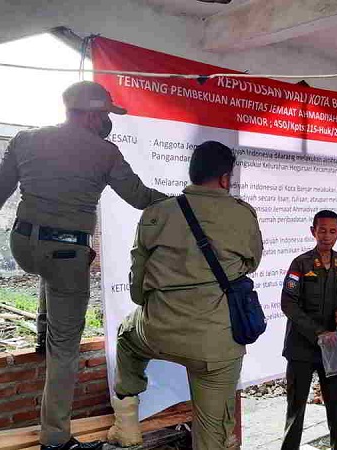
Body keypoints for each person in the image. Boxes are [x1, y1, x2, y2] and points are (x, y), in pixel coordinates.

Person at [0, 81, 166, 450]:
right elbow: (139, 197)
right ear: (90, 114)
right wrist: (183, 203)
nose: (107, 120)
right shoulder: (105, 152)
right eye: (104, 113)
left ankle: (43, 332)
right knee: (66, 349)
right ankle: (55, 440)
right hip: (66, 251)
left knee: (51, 274)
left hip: (23, 244)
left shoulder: (26, 139)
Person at [108, 141, 263, 449]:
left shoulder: (158, 212)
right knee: (212, 427)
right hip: (215, 345)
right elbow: (252, 263)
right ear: (224, 178)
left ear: (192, 173)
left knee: (126, 335)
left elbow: (138, 283)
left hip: (157, 332)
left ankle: (126, 424)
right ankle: (224, 436)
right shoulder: (242, 214)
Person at [279, 210, 337, 450]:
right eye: (322, 230)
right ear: (313, 231)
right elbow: (288, 303)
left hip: (331, 348)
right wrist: (317, 332)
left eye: (332, 231)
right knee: (296, 409)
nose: (327, 236)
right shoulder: (300, 263)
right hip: (301, 348)